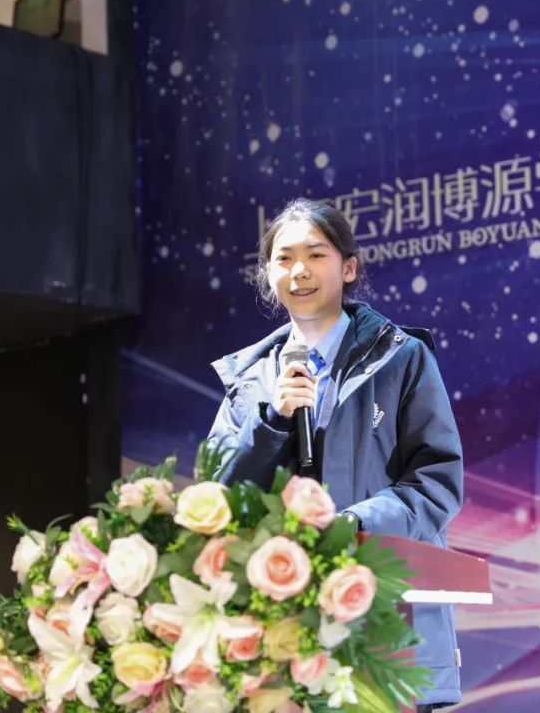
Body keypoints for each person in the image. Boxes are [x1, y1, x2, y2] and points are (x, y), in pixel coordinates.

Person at [207, 198, 464, 710]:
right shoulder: (250, 381)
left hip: (384, 621)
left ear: (348, 268)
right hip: (281, 630)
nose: (299, 270)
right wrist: (272, 421)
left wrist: (353, 526)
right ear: (268, 276)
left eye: (316, 254)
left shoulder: (401, 358)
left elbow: (437, 481)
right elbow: (218, 500)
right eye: (283, 258)